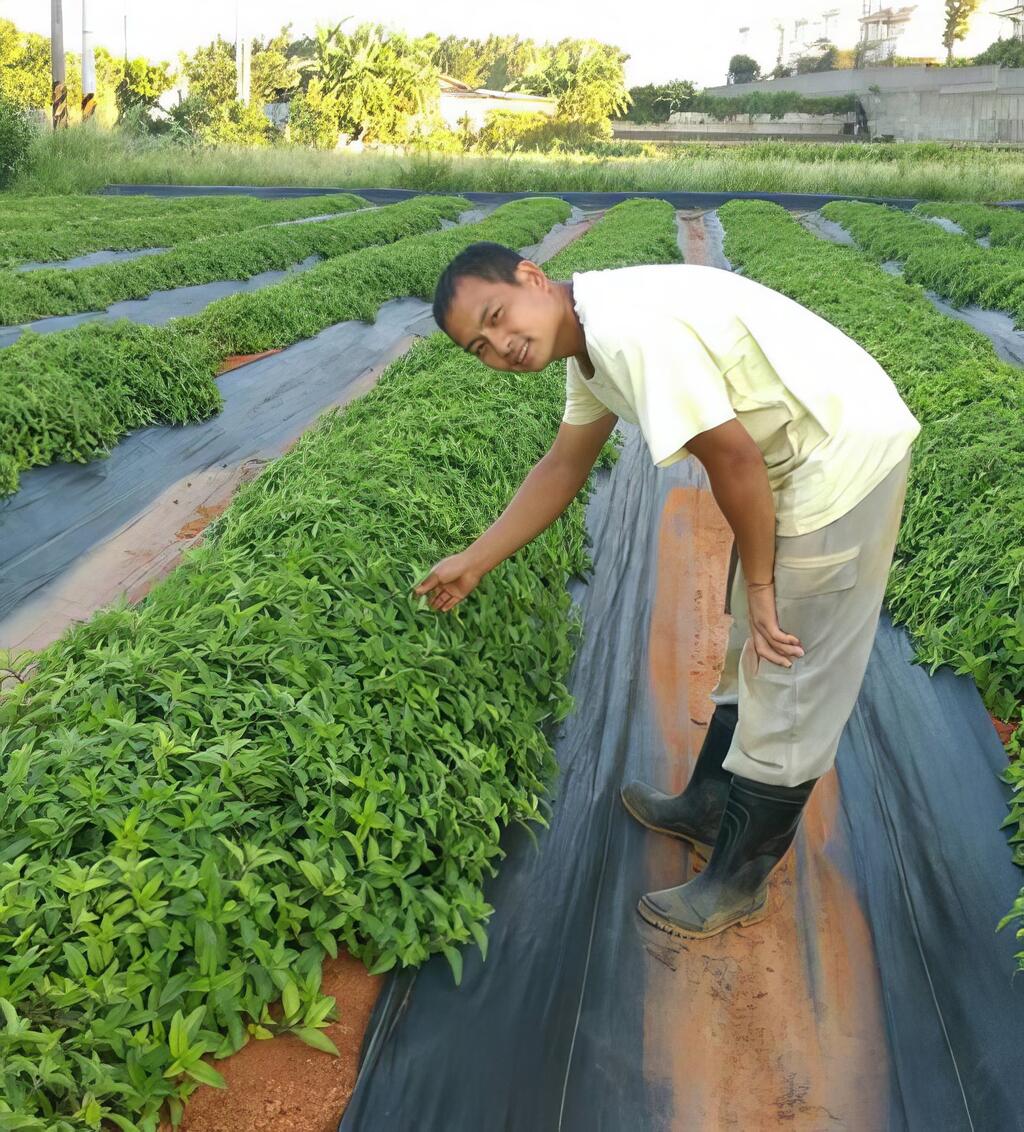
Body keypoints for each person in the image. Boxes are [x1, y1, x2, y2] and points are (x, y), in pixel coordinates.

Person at [414, 239, 920, 940]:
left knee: (787, 658)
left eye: (497, 317)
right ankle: (710, 807)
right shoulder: (586, 342)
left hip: (838, 454)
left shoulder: (625, 331)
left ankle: (736, 883)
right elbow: (563, 466)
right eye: (480, 347)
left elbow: (732, 458)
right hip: (790, 454)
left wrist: (763, 582)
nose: (502, 346)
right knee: (751, 634)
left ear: (532, 277)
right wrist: (475, 560)